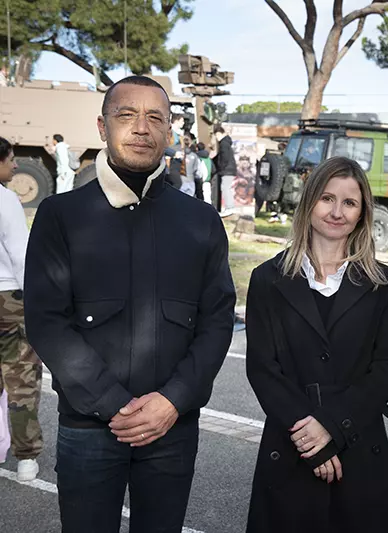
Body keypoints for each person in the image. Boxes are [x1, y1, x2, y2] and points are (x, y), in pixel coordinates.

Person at [24, 76, 236, 533]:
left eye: (155, 117)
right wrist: (114, 404)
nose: (142, 127)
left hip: (171, 428)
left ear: (168, 132)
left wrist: (172, 401)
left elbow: (218, 321)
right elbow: (46, 321)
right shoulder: (60, 216)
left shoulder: (201, 221)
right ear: (102, 127)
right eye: (127, 115)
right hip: (88, 429)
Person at [245, 156, 388, 532]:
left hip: (360, 446)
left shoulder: (381, 282)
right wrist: (310, 438)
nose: (337, 212)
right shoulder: (267, 280)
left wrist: (332, 427)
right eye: (327, 199)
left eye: (349, 203)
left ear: (363, 212)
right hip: (290, 447)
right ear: (309, 202)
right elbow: (263, 369)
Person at [0, 136, 43, 482]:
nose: (15, 166)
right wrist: (34, 299)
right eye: (11, 160)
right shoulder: (6, 199)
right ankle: (26, 457)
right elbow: (20, 253)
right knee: (21, 376)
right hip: (7, 297)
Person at [213, 124, 237, 217]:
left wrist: (220, 167)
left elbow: (224, 157)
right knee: (226, 188)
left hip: (227, 169)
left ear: (219, 133)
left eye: (217, 135)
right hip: (230, 169)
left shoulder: (223, 144)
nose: (216, 138)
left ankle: (229, 207)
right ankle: (229, 207)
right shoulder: (227, 142)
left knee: (225, 188)